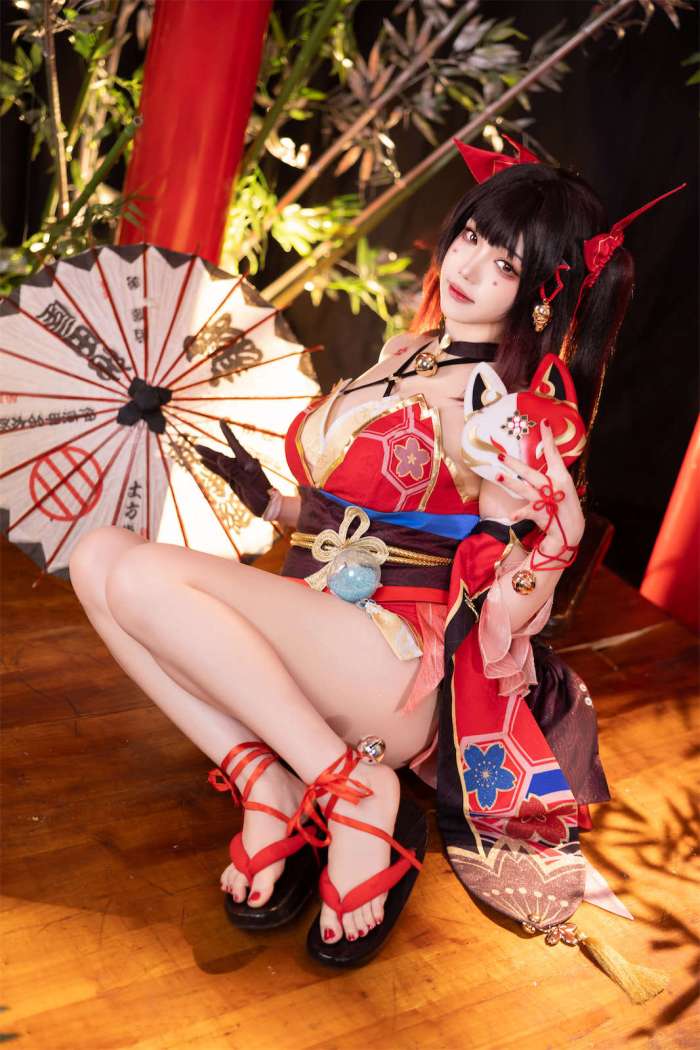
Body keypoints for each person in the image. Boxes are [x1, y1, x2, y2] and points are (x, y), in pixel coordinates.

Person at [67, 137, 682, 972]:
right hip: (320, 620)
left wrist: (552, 531)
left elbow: (507, 606)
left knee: (140, 572)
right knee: (97, 554)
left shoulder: (503, 412)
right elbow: (366, 516)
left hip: (392, 664)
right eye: (471, 237)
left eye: (504, 265)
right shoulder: (404, 351)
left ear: (541, 298)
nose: (468, 266)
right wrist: (272, 503)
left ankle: (356, 792)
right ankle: (267, 785)